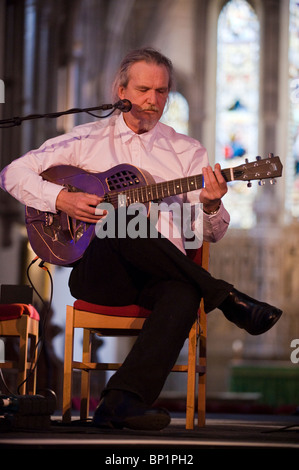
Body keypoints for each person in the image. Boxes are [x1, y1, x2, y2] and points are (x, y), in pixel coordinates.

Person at [0, 47, 282, 431]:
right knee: (125, 216)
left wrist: (212, 206)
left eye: (162, 92)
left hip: (159, 277)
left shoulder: (186, 152)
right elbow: (12, 174)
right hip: (100, 275)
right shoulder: (84, 140)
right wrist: (61, 198)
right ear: (121, 90)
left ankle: (121, 401)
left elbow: (204, 232)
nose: (153, 100)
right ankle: (225, 297)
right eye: (145, 89)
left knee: (183, 293)